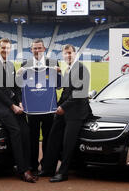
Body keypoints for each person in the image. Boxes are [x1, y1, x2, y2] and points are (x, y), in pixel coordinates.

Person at [0, 38, 37, 183]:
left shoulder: (11, 65)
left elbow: (16, 87)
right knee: (16, 130)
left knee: (25, 130)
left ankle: (29, 166)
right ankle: (23, 170)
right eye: (3, 48)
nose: (5, 51)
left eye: (8, 48)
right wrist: (12, 106)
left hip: (13, 103)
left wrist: (20, 101)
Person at [38, 44, 92, 183]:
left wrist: (63, 107)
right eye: (65, 53)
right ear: (62, 55)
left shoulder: (81, 69)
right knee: (52, 137)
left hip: (77, 112)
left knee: (68, 143)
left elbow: (79, 94)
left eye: (70, 53)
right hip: (65, 111)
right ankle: (49, 168)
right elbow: (64, 91)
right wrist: (55, 106)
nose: (68, 55)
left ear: (75, 54)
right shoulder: (68, 69)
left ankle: (63, 172)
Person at [19, 39, 60, 173]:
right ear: (31, 50)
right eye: (34, 48)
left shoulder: (53, 64)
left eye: (39, 48)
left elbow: (59, 85)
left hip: (48, 108)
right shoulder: (25, 64)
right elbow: (20, 86)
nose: (37, 51)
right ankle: (33, 166)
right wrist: (18, 75)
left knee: (48, 138)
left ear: (44, 49)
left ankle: (47, 167)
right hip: (32, 109)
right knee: (32, 139)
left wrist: (59, 73)